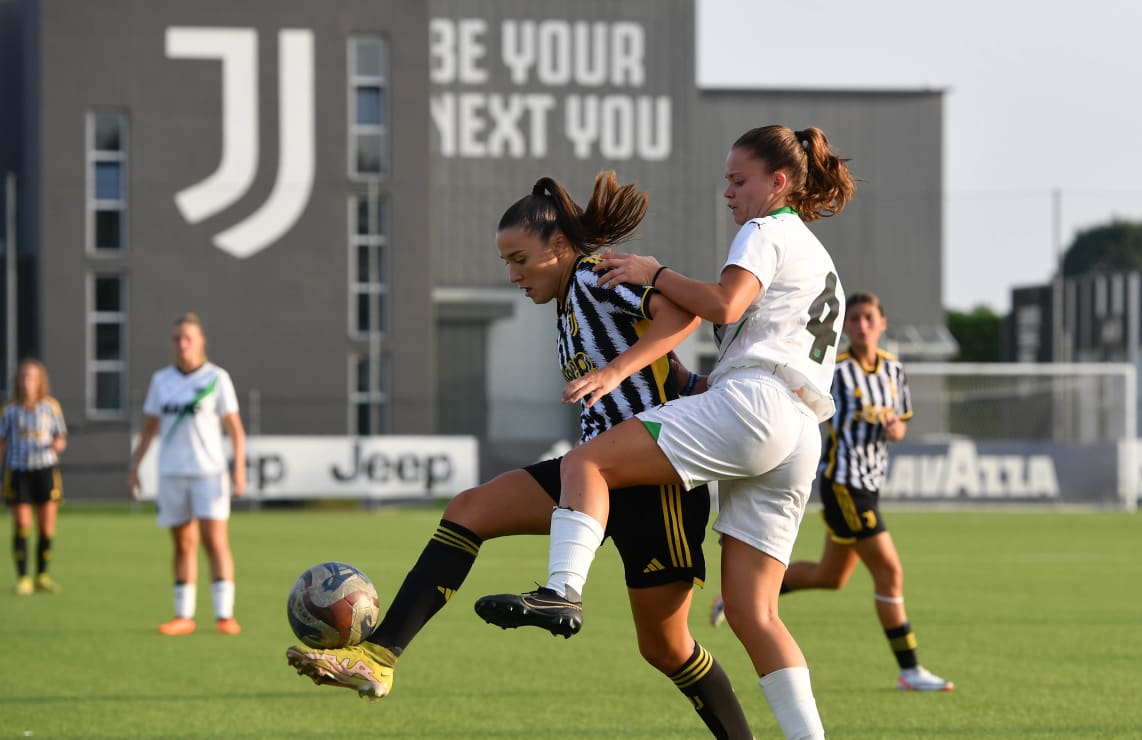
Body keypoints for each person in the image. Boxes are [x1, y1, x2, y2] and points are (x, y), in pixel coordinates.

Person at [285, 172, 754, 739]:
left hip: (659, 481)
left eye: (519, 259)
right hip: (595, 475)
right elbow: (666, 369)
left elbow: (683, 316)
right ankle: (379, 656)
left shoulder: (593, 277)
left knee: (665, 646)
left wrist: (614, 372)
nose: (512, 275)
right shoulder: (567, 304)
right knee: (470, 508)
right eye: (506, 262)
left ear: (559, 249)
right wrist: (684, 382)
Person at [476, 125, 854, 740]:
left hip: (757, 407)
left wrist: (656, 273)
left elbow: (725, 303)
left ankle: (561, 590)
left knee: (586, 464)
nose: (728, 192)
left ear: (778, 183)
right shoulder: (815, 252)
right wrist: (692, 378)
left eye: (739, 180)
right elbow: (763, 342)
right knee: (755, 614)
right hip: (797, 428)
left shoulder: (765, 229)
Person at [710, 291, 954, 692]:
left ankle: (739, 596)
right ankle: (910, 670)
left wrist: (896, 429)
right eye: (854, 318)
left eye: (868, 318)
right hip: (844, 484)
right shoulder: (836, 370)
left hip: (871, 484)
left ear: (882, 323)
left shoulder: (893, 370)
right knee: (890, 572)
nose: (861, 325)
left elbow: (901, 422)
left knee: (831, 576)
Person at [128, 313, 246, 636]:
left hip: (209, 473)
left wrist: (238, 466)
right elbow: (150, 428)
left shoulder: (216, 378)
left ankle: (224, 615)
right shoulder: (161, 380)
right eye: (177, 338)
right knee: (182, 543)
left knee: (214, 540)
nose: (182, 343)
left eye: (188, 338)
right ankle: (184, 615)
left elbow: (234, 427)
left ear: (201, 341)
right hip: (172, 473)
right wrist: (135, 465)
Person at [1, 359, 68, 595]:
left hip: (45, 470)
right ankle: (23, 577)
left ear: (40, 381)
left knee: (46, 525)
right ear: (17, 381)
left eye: (32, 377)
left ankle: (42, 574)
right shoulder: (9, 411)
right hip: (18, 471)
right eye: (23, 376)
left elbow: (61, 437)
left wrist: (58, 444)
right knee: (22, 523)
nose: (27, 381)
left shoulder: (51, 407)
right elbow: (2, 443)